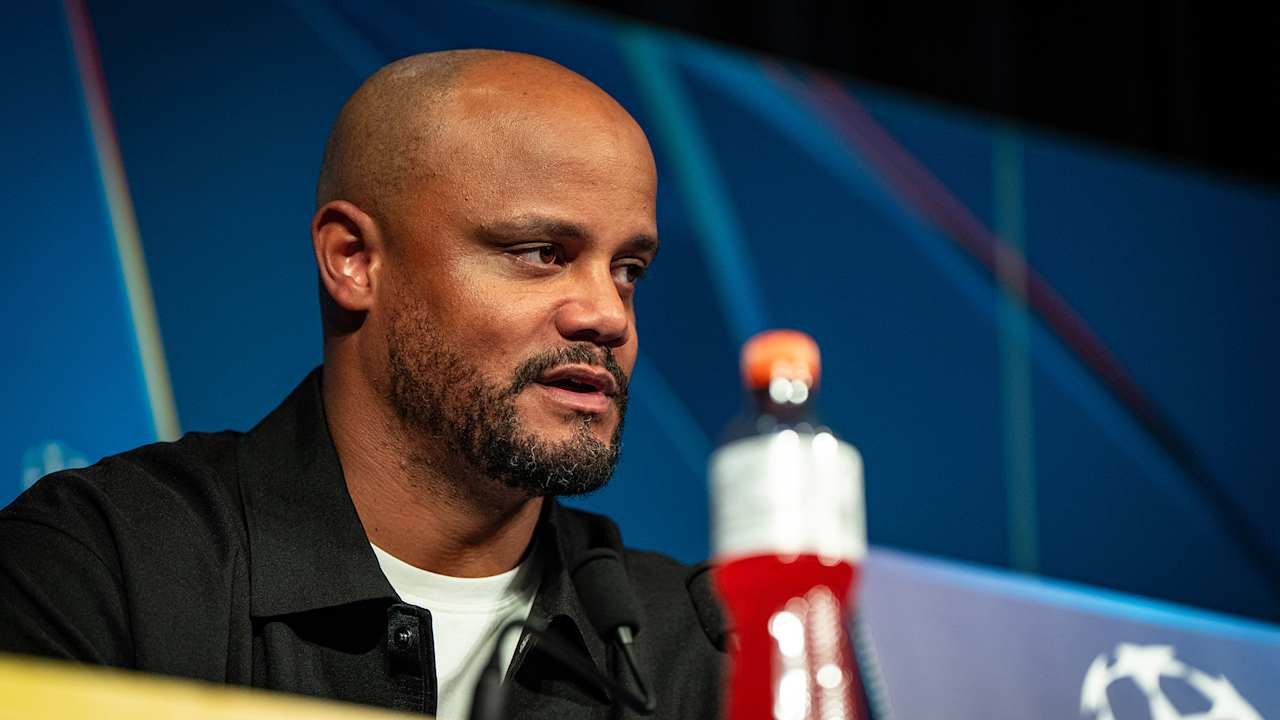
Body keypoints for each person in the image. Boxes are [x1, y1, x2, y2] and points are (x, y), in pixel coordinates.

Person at [0, 50, 724, 718]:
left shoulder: (705, 649)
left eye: (628, 270)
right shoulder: (100, 567)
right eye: (540, 253)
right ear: (353, 260)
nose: (608, 315)